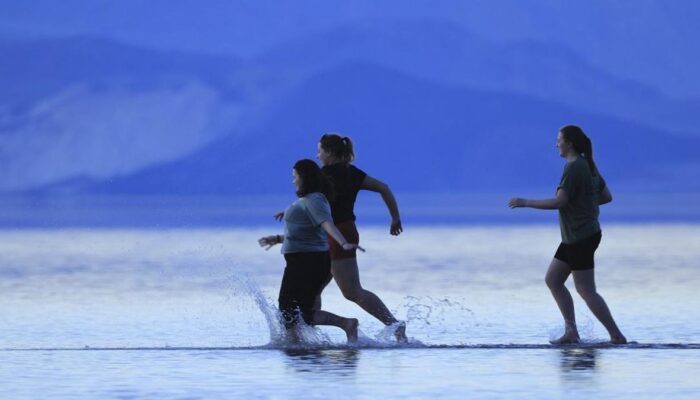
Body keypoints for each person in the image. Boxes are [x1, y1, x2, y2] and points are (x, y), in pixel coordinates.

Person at [509, 125, 627, 345]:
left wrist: (525, 202)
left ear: (569, 142)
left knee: (585, 289)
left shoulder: (573, 168)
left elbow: (560, 202)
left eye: (559, 139)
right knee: (553, 280)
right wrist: (583, 202)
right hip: (577, 236)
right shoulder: (588, 164)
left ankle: (617, 336)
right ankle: (571, 332)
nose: (556, 144)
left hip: (580, 236)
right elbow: (606, 196)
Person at [314, 133, 407, 342]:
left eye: (319, 150)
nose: (317, 155)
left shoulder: (324, 175)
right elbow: (384, 188)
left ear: (328, 152)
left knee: (352, 291)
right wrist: (395, 219)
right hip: (342, 231)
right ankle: (308, 337)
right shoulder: (352, 172)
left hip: (337, 234)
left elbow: (309, 206)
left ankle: (395, 325)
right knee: (314, 288)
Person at [259, 159, 362, 343]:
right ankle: (296, 344)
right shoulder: (308, 200)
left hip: (309, 262)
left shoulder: (315, 199)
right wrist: (277, 239)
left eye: (295, 176)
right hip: (303, 261)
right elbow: (305, 231)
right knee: (293, 310)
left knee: (295, 311)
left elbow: (327, 224)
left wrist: (343, 243)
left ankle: (346, 324)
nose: (293, 181)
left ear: (304, 177)